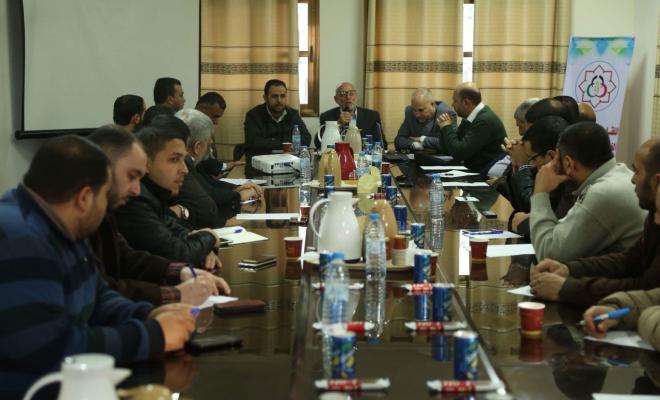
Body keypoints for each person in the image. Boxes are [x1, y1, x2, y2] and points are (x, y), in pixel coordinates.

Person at [0, 135, 196, 398]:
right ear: (84, 198)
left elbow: (98, 297)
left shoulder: (63, 225)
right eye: (104, 196)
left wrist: (147, 315)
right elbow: (50, 351)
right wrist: (151, 336)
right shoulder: (20, 239)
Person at [88, 125, 230, 306]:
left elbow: (127, 258)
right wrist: (174, 295)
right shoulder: (129, 203)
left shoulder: (107, 213)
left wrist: (181, 271)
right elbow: (100, 292)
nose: (136, 190)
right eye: (131, 176)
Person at [530, 138, 660, 305]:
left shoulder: (607, 191)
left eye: (637, 171)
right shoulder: (654, 211)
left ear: (656, 181)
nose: (632, 179)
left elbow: (647, 290)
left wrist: (568, 289)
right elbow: (630, 261)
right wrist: (569, 269)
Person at [529, 122, 646, 262]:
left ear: (568, 163)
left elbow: (548, 254)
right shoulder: (617, 174)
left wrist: (540, 192)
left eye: (557, 159)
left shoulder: (603, 193)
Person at [115, 118, 222, 266]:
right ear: (146, 162)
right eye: (174, 160)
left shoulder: (154, 193)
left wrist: (200, 247)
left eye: (183, 159)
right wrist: (210, 237)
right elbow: (179, 254)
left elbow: (175, 230)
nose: (184, 170)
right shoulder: (134, 198)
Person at [581, 180, 660, 350]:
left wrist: (646, 316)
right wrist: (618, 308)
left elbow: (554, 248)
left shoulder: (605, 191)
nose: (656, 222)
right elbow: (631, 261)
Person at [175, 109, 259, 229]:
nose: (210, 144)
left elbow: (208, 183)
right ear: (197, 147)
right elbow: (207, 203)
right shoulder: (182, 166)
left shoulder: (191, 162)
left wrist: (237, 189)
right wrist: (238, 196)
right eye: (208, 142)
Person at [507, 116, 574, 235]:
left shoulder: (571, 183)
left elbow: (556, 232)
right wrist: (516, 166)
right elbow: (520, 205)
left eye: (531, 158)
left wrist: (523, 165)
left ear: (552, 156)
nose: (531, 165)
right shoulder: (553, 172)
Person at [434, 82, 507, 175]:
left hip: (485, 175)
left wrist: (447, 127)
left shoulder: (484, 120)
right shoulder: (471, 118)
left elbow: (459, 154)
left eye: (455, 101)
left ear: (466, 102)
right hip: (473, 170)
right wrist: (443, 129)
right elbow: (450, 150)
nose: (452, 104)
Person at [244, 79, 310, 158]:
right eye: (274, 96)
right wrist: (286, 142)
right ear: (265, 98)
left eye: (282, 96)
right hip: (263, 159)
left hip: (289, 159)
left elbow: (306, 139)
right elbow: (254, 143)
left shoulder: (293, 114)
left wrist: (273, 140)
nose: (279, 100)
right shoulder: (254, 115)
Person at [316, 82, 386, 148]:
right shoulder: (326, 116)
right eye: (343, 94)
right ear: (336, 99)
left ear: (356, 96)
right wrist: (337, 125)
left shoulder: (372, 116)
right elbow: (318, 144)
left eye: (351, 94)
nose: (348, 97)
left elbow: (382, 145)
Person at [195, 91, 245, 174]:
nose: (216, 122)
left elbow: (210, 159)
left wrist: (225, 166)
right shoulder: (190, 129)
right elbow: (202, 162)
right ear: (201, 109)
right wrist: (223, 167)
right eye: (214, 116)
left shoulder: (206, 127)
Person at [394, 88, 456, 152]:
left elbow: (451, 145)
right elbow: (399, 140)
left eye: (421, 110)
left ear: (433, 104)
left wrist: (423, 139)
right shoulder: (410, 112)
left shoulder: (446, 114)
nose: (417, 115)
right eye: (414, 110)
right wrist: (413, 144)